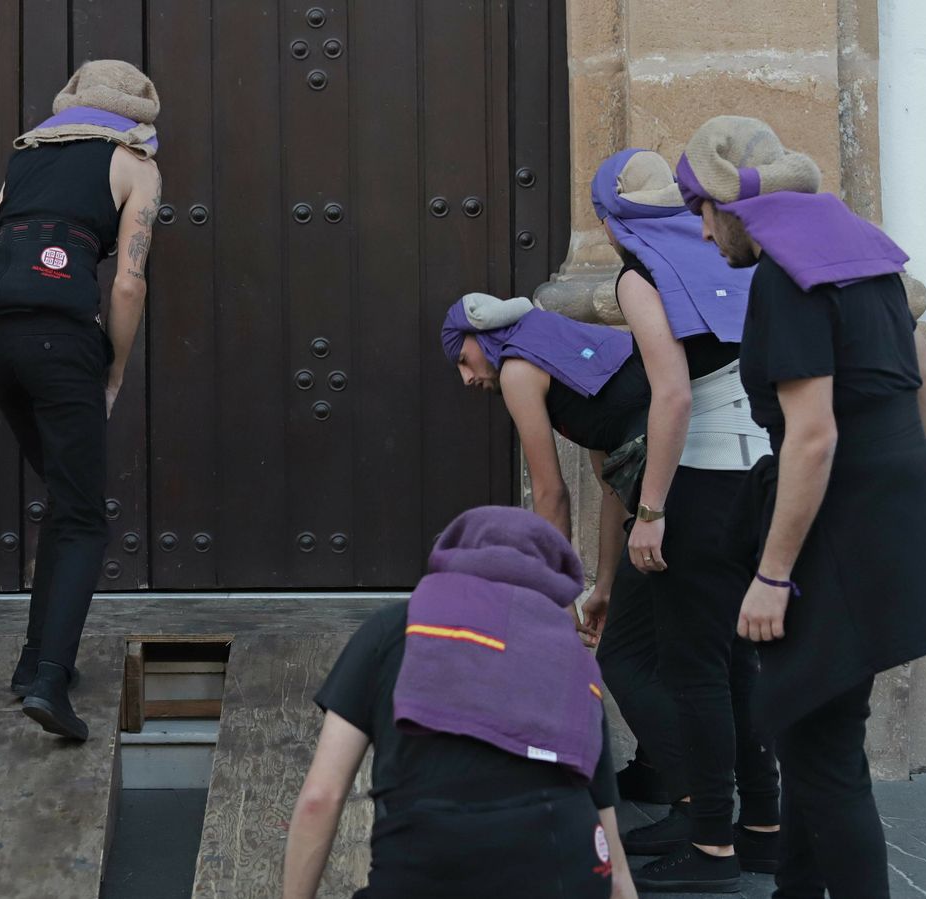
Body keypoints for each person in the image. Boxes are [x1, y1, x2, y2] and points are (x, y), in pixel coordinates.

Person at [679, 115, 926, 899]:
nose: (702, 234)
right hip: (895, 508)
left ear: (729, 205)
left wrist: (772, 576)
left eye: (700, 211)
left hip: (836, 523)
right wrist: (910, 492)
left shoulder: (786, 274)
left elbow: (812, 437)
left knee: (822, 753)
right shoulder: (863, 252)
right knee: (815, 726)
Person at [0, 59, 161, 741]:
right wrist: (113, 372)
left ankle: (33, 663)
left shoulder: (26, 161)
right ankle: (50, 681)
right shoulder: (135, 164)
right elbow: (128, 284)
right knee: (85, 516)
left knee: (67, 499)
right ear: (136, 115)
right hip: (60, 343)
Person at [591, 148, 782, 891]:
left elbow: (671, 396)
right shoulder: (737, 254)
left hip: (699, 485)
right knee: (740, 666)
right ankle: (761, 831)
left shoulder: (640, 274)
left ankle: (711, 850)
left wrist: (651, 510)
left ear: (612, 220)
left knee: (697, 672)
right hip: (760, 478)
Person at [282, 506, 635, 899]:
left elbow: (320, 798)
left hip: (429, 863)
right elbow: (615, 863)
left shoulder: (394, 628)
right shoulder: (574, 662)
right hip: (565, 863)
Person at [442, 292, 687, 807]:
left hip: (667, 494)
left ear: (485, 337)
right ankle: (660, 772)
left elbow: (551, 493)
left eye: (463, 359)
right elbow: (612, 486)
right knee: (665, 640)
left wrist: (556, 596)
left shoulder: (518, 369)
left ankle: (698, 807)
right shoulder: (572, 353)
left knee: (623, 655)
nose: (465, 378)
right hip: (684, 478)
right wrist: (605, 585)